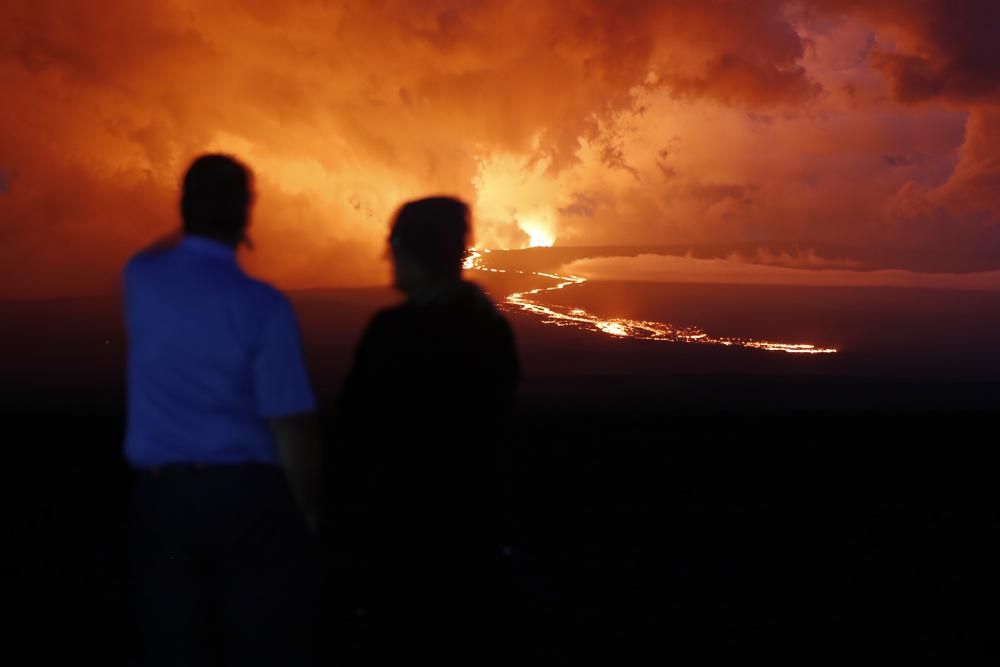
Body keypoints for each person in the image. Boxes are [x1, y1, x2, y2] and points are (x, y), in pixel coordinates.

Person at [123, 154, 322, 666]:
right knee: (254, 640)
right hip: (245, 497)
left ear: (185, 207)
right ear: (246, 213)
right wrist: (311, 512)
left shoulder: (141, 279)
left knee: (174, 642)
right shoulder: (263, 306)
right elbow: (290, 422)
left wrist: (198, 224)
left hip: (162, 498)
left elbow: (158, 251)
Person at [327, 196, 520, 664]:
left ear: (413, 251)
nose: (385, 257)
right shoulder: (491, 330)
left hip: (399, 539)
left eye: (392, 244)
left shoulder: (392, 333)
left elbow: (354, 431)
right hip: (471, 535)